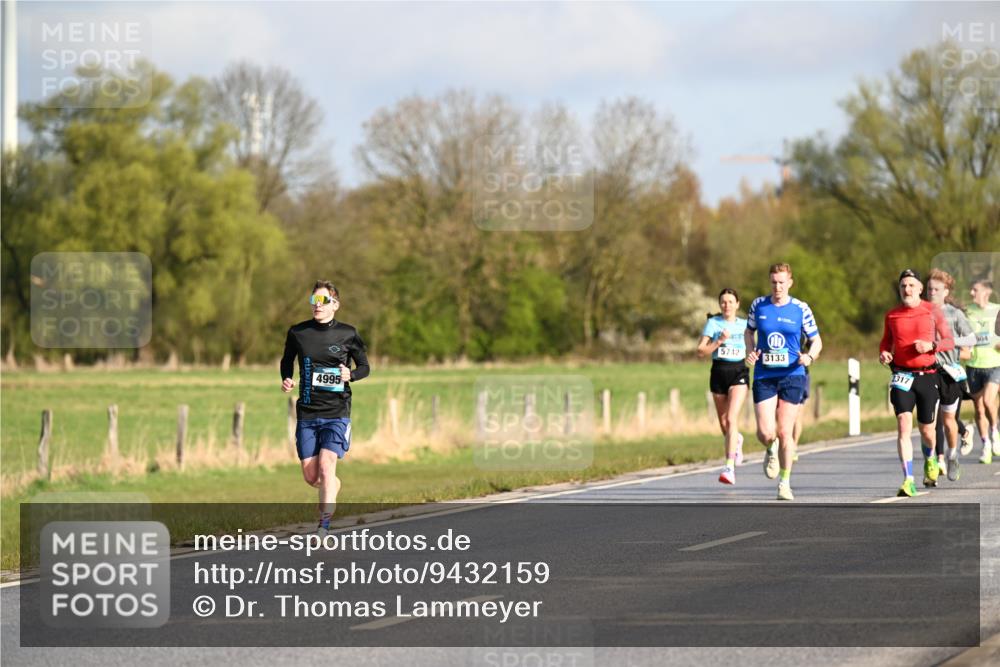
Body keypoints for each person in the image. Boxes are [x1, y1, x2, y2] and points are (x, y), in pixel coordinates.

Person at [280, 281, 370, 534]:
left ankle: (324, 526)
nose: (317, 306)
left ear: (335, 305)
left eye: (323, 301)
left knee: (327, 465)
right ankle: (332, 485)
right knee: (313, 477)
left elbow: (365, 367)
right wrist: (286, 378)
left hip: (337, 412)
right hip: (308, 412)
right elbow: (286, 361)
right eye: (314, 301)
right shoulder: (298, 332)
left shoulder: (348, 334)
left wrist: (349, 375)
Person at [744, 263, 822, 501]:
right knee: (766, 432)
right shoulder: (759, 305)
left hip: (792, 374)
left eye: (781, 282)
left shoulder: (801, 308)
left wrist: (809, 356)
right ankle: (770, 448)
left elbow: (816, 341)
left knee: (785, 431)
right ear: (770, 282)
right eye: (773, 282)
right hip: (764, 374)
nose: (777, 286)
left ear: (790, 282)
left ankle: (785, 483)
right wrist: (750, 351)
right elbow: (749, 332)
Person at [879, 270, 954, 497]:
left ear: (920, 289)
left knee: (927, 431)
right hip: (902, 376)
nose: (907, 290)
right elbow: (885, 343)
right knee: (903, 424)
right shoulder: (892, 316)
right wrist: (883, 354)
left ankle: (930, 457)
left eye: (911, 285)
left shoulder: (932, 311)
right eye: (903, 286)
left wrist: (931, 346)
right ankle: (908, 479)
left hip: (927, 375)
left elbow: (949, 341)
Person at [926, 269, 976, 481]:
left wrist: (950, 342)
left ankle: (952, 454)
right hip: (928, 371)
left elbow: (971, 339)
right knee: (930, 421)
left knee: (948, 421)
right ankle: (933, 461)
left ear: (946, 292)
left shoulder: (955, 314)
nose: (931, 293)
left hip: (949, 372)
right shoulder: (921, 312)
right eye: (928, 289)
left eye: (936, 289)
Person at [697, 289, 749, 485]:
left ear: (737, 304)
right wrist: (718, 341)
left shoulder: (745, 325)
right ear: (720, 305)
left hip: (739, 371)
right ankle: (737, 440)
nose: (727, 305)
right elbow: (701, 351)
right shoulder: (713, 323)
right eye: (723, 302)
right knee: (724, 424)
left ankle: (729, 467)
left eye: (730, 301)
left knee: (732, 418)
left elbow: (755, 344)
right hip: (719, 371)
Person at [966, 279, 1000, 463]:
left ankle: (995, 431)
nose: (971, 293)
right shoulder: (967, 311)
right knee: (979, 410)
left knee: (988, 401)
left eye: (975, 289)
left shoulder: (997, 309)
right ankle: (986, 444)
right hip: (973, 365)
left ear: (986, 292)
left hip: (994, 364)